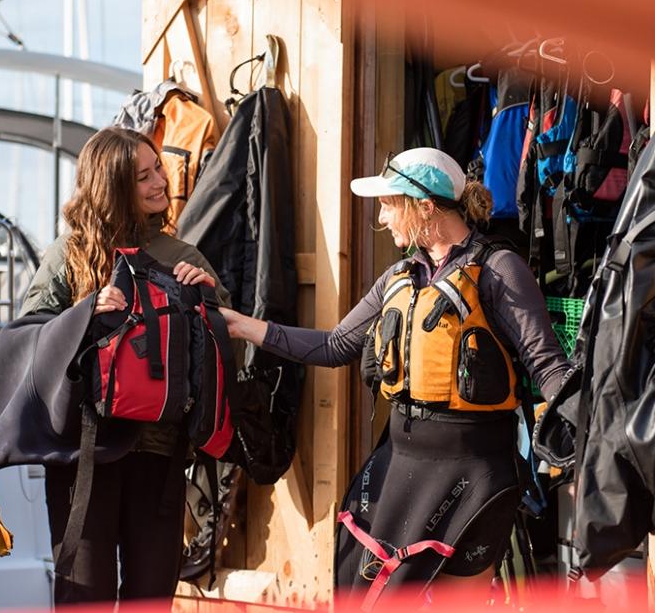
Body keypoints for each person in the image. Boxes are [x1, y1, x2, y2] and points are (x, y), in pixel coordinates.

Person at [220, 148, 570, 604]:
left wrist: (596, 443)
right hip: (402, 464)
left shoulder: (501, 270)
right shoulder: (398, 276)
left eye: (389, 203)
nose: (382, 218)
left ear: (424, 207)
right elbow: (334, 346)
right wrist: (240, 324)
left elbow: (547, 365)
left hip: (474, 471)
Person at [20, 126, 230, 605]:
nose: (161, 181)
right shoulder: (67, 258)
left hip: (158, 452)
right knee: (83, 596)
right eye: (144, 176)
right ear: (113, 186)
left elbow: (222, 352)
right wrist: (83, 315)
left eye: (158, 168)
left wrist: (208, 301)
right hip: (83, 456)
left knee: (151, 596)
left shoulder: (184, 258)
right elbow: (28, 342)